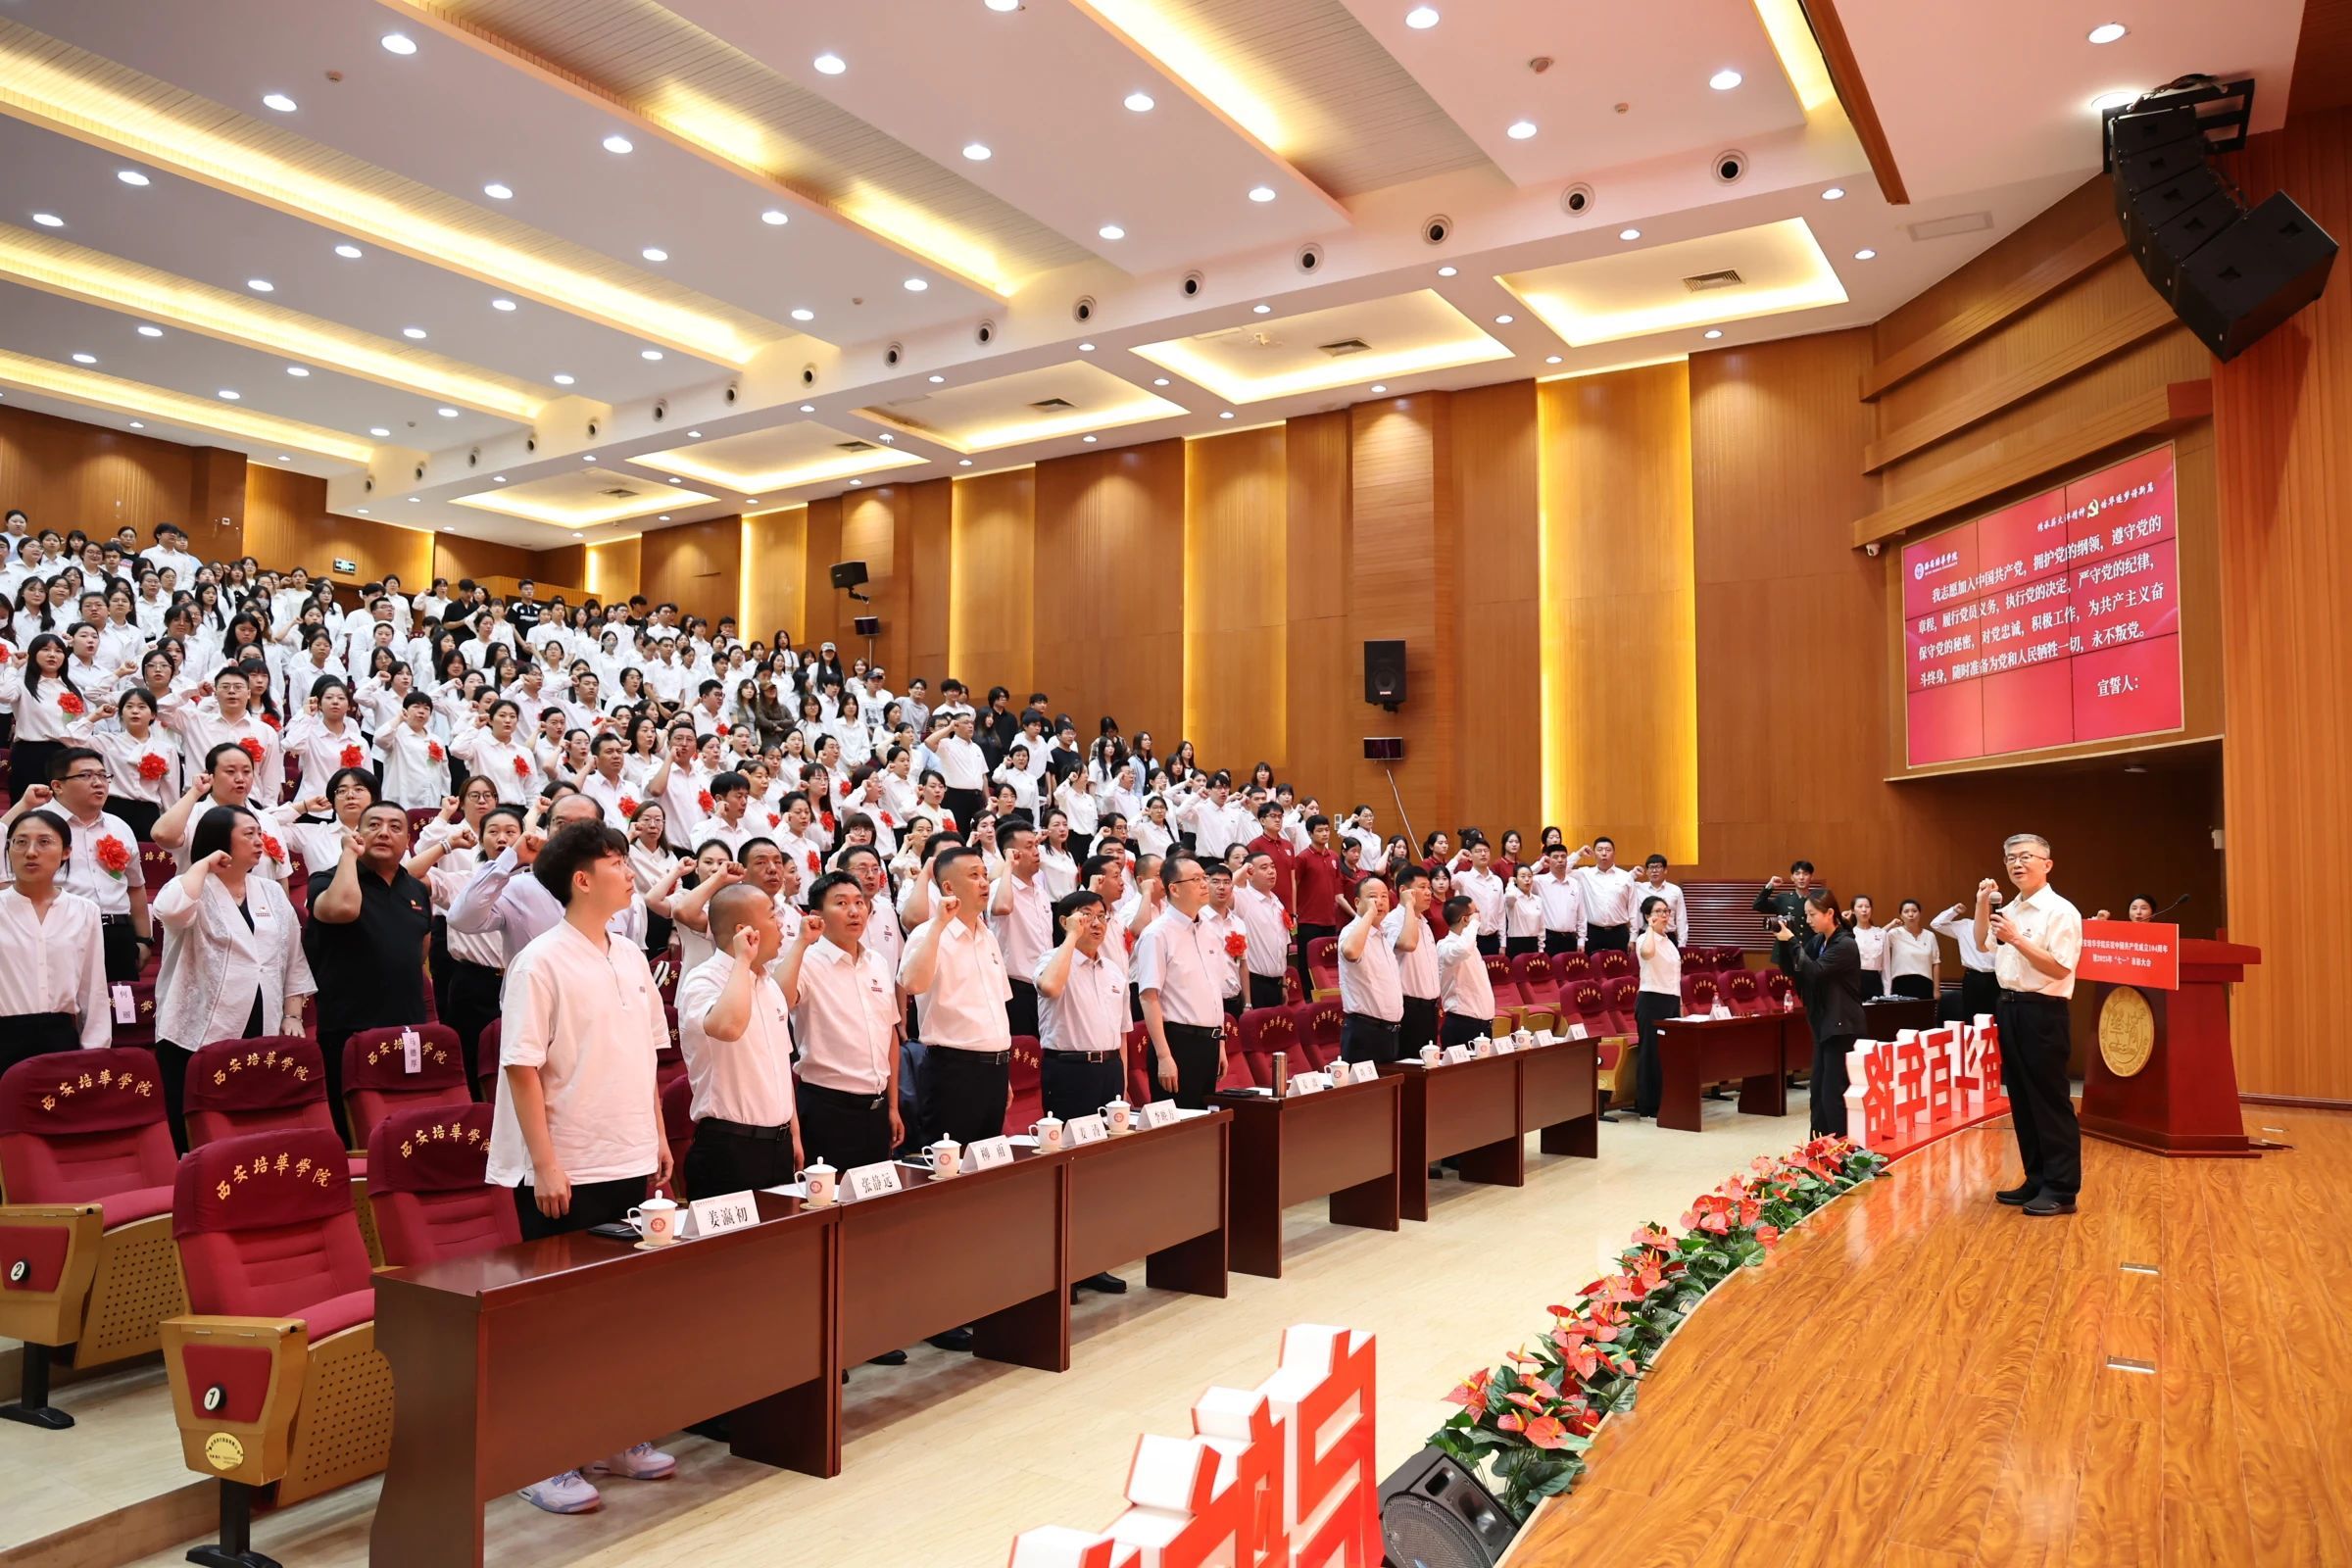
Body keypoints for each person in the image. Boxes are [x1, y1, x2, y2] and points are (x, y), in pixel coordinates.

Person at [485, 819, 677, 1510]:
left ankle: (610, 1436)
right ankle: (542, 1458)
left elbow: (647, 1056)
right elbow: (522, 1067)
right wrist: (546, 1164)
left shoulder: (629, 955)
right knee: (556, 1318)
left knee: (616, 1313)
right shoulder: (539, 961)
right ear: (582, 879)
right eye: (617, 861)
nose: (630, 872)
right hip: (564, 1165)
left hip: (626, 1153)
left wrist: (657, 1137)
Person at [151, 808, 316, 1149]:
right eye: (249, 834)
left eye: (260, 833)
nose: (259, 841)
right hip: (194, 1032)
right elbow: (169, 911)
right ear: (219, 841)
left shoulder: (271, 892)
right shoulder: (192, 886)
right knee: (197, 1132)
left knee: (249, 1125)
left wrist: (293, 1015)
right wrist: (202, 865)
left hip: (260, 1024)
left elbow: (292, 958)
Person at [303, 802, 433, 1140]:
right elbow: (343, 909)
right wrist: (349, 855)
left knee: (407, 1128)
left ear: (408, 840)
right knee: (359, 1135)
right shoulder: (326, 880)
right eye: (374, 825)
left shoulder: (416, 889)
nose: (384, 833)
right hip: (348, 1030)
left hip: (407, 1029)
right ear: (357, 833)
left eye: (395, 827)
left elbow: (420, 950)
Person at [1977, 834, 2084, 1217]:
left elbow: (2060, 967)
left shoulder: (2061, 912)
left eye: (2025, 857)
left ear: (2047, 864)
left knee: (2049, 1101)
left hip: (2043, 1012)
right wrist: (1981, 903)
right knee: (2022, 1100)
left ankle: (2061, 1189)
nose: (2016, 864)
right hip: (2009, 1008)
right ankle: (2036, 1179)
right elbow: (1983, 944)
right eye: (2010, 858)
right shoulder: (2010, 908)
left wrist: (2017, 940)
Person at [676, 882, 801, 1197]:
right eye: (772, 915)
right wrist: (742, 961)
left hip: (779, 1143)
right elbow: (728, 1027)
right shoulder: (703, 979)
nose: (781, 923)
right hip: (729, 1147)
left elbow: (781, 1066)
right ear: (743, 931)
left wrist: (794, 1134)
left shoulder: (769, 985)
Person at [781, 864, 903, 1173]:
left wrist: (892, 1105)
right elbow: (779, 1003)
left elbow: (889, 1034)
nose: (854, 911)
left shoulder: (877, 962)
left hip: (876, 1108)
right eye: (841, 903)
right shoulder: (805, 961)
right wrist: (800, 943)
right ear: (816, 915)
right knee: (829, 1198)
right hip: (827, 1109)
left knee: (877, 1197)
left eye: (859, 902)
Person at [899, 844, 1014, 1147]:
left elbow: (998, 1007)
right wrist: (939, 924)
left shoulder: (988, 936)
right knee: (951, 1163)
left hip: (995, 1069)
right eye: (974, 875)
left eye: (985, 874)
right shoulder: (927, 934)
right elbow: (911, 984)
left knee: (989, 1161)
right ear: (948, 887)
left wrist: (1003, 1072)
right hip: (953, 1070)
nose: (984, 882)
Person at [0, 808, 108, 1073]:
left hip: (60, 1039)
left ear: (66, 852)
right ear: (8, 850)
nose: (31, 852)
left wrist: (95, 1053)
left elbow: (93, 989)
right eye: (20, 842)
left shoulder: (85, 911)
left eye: (44, 842)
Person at [1132, 851, 1226, 1106]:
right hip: (1178, 1042)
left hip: (1210, 1042)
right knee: (1181, 1121)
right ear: (1173, 888)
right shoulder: (1157, 934)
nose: (1204, 884)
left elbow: (1213, 991)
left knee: (1207, 1121)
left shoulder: (1209, 929)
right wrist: (1164, 1056)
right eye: (1196, 879)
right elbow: (1149, 997)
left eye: (1204, 878)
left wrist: (1220, 1044)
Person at [1778, 889, 1863, 1138]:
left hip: (1842, 1026)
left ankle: (1842, 1150)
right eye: (1806, 915)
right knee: (1817, 1092)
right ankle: (1818, 1148)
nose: (1808, 920)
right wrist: (1783, 941)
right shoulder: (1818, 942)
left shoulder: (1845, 944)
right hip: (1823, 1025)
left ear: (1829, 913)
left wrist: (1792, 942)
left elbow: (1815, 972)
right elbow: (1795, 969)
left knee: (1832, 1093)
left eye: (1812, 914)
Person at [988, 817, 1051, 1038]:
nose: (1036, 851)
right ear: (1012, 853)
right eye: (1029, 846)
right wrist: (1008, 866)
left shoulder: (1040, 891)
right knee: (1022, 1053)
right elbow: (1002, 907)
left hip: (1044, 987)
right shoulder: (1000, 887)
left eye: (1036, 845)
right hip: (1016, 988)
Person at [1336, 874, 1404, 1065]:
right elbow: (1351, 951)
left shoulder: (1381, 935)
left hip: (1389, 1033)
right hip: (1364, 1032)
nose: (1379, 902)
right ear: (1357, 902)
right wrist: (1368, 915)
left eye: (1384, 896)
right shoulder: (1351, 931)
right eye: (1373, 897)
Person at [1631, 894, 1682, 1120]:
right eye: (1658, 912)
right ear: (1647, 916)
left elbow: (1675, 976)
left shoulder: (1669, 942)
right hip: (1651, 1000)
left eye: (1666, 911)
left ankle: (1665, 1100)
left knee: (1667, 1054)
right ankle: (1648, 1105)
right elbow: (1647, 953)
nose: (1664, 915)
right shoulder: (1645, 939)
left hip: (1671, 999)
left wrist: (1679, 1005)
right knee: (1651, 1053)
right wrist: (1650, 929)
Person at [1382, 865, 1438, 1058]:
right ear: (1404, 891)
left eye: (1429, 887)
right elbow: (1408, 943)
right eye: (1422, 887)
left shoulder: (1424, 923)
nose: (1428, 892)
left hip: (1430, 1009)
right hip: (1409, 1008)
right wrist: (1409, 907)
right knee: (1410, 1064)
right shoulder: (1392, 920)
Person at [1232, 851, 1291, 1010]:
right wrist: (1241, 871)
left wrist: (1283, 983)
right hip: (1254, 983)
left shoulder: (1277, 903)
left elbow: (1281, 946)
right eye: (1264, 868)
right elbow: (1223, 893)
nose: (1271, 871)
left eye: (1272, 866)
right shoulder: (1244, 898)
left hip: (1277, 983)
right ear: (1250, 874)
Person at [1434, 897, 1495, 1049]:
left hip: (1483, 1026)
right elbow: (1461, 950)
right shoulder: (1445, 946)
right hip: (1462, 1025)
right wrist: (1473, 924)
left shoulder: (1471, 945)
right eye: (1476, 913)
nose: (1479, 916)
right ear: (1465, 919)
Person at [1931, 895, 2000, 1022]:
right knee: (1971, 1016)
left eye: (1991, 904)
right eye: (1984, 903)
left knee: (1995, 1016)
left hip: (1996, 977)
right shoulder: (1964, 925)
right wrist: (1954, 911)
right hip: (1973, 977)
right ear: (1978, 905)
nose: (1988, 907)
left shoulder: (2000, 927)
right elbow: (1936, 924)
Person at [1570, 838, 1638, 951]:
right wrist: (1579, 854)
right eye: (1600, 850)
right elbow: (1562, 871)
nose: (1604, 853)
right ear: (1594, 854)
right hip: (1593, 933)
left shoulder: (1626, 877)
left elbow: (1633, 909)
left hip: (1619, 933)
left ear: (1614, 854)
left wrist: (1633, 937)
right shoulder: (1585, 874)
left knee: (1619, 962)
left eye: (1608, 850)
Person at [1753, 860, 1814, 975]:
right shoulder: (1783, 899)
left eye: (1805, 874)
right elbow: (1758, 905)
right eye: (1797, 874)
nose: (1801, 877)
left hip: (1809, 953)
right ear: (1792, 877)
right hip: (1787, 953)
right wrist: (1770, 886)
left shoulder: (1817, 899)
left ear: (1811, 877)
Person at [1884, 898, 1940, 1001]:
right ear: (1901, 915)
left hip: (1925, 984)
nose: (1911, 914)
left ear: (1920, 913)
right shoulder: (1894, 933)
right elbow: (1876, 940)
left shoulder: (1930, 935)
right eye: (1906, 911)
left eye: (1914, 911)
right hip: (1901, 983)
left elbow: (1935, 962)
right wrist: (1890, 925)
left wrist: (1936, 989)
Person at [1533, 843, 1584, 955]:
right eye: (1555, 857)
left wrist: (1581, 940)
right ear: (1549, 860)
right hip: (1549, 938)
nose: (1560, 860)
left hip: (1571, 939)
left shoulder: (1575, 883)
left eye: (1563, 856)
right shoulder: (1539, 881)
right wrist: (1540, 865)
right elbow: (1520, 878)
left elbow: (1581, 915)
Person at [1848, 894, 1887, 1001]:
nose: (1864, 910)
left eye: (1867, 906)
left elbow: (1886, 966)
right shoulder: (1849, 934)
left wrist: (1887, 992)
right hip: (1855, 981)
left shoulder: (1881, 933)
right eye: (1860, 906)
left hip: (1875, 981)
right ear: (1853, 911)